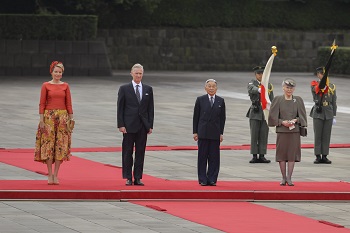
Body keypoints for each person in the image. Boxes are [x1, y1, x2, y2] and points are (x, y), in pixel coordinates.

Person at [34, 61, 74, 185]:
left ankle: (56, 175)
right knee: (49, 145)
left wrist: (71, 118)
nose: (57, 74)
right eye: (56, 71)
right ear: (51, 72)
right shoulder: (45, 85)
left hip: (62, 117)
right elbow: (42, 103)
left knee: (60, 146)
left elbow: (68, 103)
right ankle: (49, 174)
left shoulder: (66, 86)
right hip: (48, 118)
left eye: (60, 72)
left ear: (62, 73)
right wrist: (41, 119)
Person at [117, 63, 154, 186]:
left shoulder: (148, 89)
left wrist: (150, 125)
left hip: (142, 126)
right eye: (136, 73)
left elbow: (150, 109)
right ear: (131, 74)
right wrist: (121, 125)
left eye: (140, 73)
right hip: (128, 126)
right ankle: (128, 177)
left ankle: (138, 177)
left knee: (140, 152)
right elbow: (120, 108)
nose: (138, 75)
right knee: (128, 152)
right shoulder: (124, 88)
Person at [268, 79, 307, 186]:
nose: (289, 90)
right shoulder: (278, 99)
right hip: (282, 131)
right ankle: (283, 177)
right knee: (281, 154)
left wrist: (295, 120)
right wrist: (282, 122)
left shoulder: (298, 100)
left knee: (292, 154)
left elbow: (302, 117)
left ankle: (289, 177)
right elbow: (272, 117)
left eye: (291, 88)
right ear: (283, 88)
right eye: (287, 87)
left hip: (294, 132)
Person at [193, 79, 226, 186]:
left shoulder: (220, 101)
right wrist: (195, 132)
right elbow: (196, 117)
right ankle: (202, 178)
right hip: (203, 132)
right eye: (209, 86)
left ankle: (212, 178)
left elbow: (222, 118)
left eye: (213, 86)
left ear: (216, 88)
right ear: (205, 88)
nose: (211, 88)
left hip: (215, 133)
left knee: (214, 158)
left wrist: (221, 133)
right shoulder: (200, 100)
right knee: (202, 157)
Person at [246, 66, 274, 163]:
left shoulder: (268, 85)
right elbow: (252, 89)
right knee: (254, 134)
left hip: (265, 112)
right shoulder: (252, 83)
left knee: (263, 134)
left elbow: (271, 99)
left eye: (262, 73)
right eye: (259, 74)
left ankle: (262, 155)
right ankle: (254, 155)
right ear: (255, 74)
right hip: (255, 111)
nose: (261, 75)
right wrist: (260, 89)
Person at [310, 67, 337, 164]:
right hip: (318, 112)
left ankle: (325, 155)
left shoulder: (332, 86)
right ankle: (318, 155)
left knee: (326, 135)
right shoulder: (315, 84)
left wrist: (334, 115)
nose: (323, 75)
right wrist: (323, 85)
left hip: (328, 112)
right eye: (321, 74)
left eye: (324, 74)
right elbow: (316, 91)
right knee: (318, 135)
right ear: (318, 75)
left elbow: (334, 102)